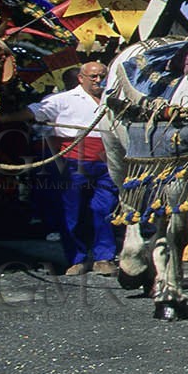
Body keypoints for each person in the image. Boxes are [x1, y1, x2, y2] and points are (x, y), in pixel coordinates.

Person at [22, 61, 118, 276]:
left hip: (107, 163)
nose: (98, 80)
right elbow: (36, 111)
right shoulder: (62, 100)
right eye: (93, 76)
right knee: (71, 212)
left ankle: (104, 258)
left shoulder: (114, 100)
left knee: (104, 209)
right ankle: (77, 259)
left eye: (102, 75)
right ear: (81, 78)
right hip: (72, 163)